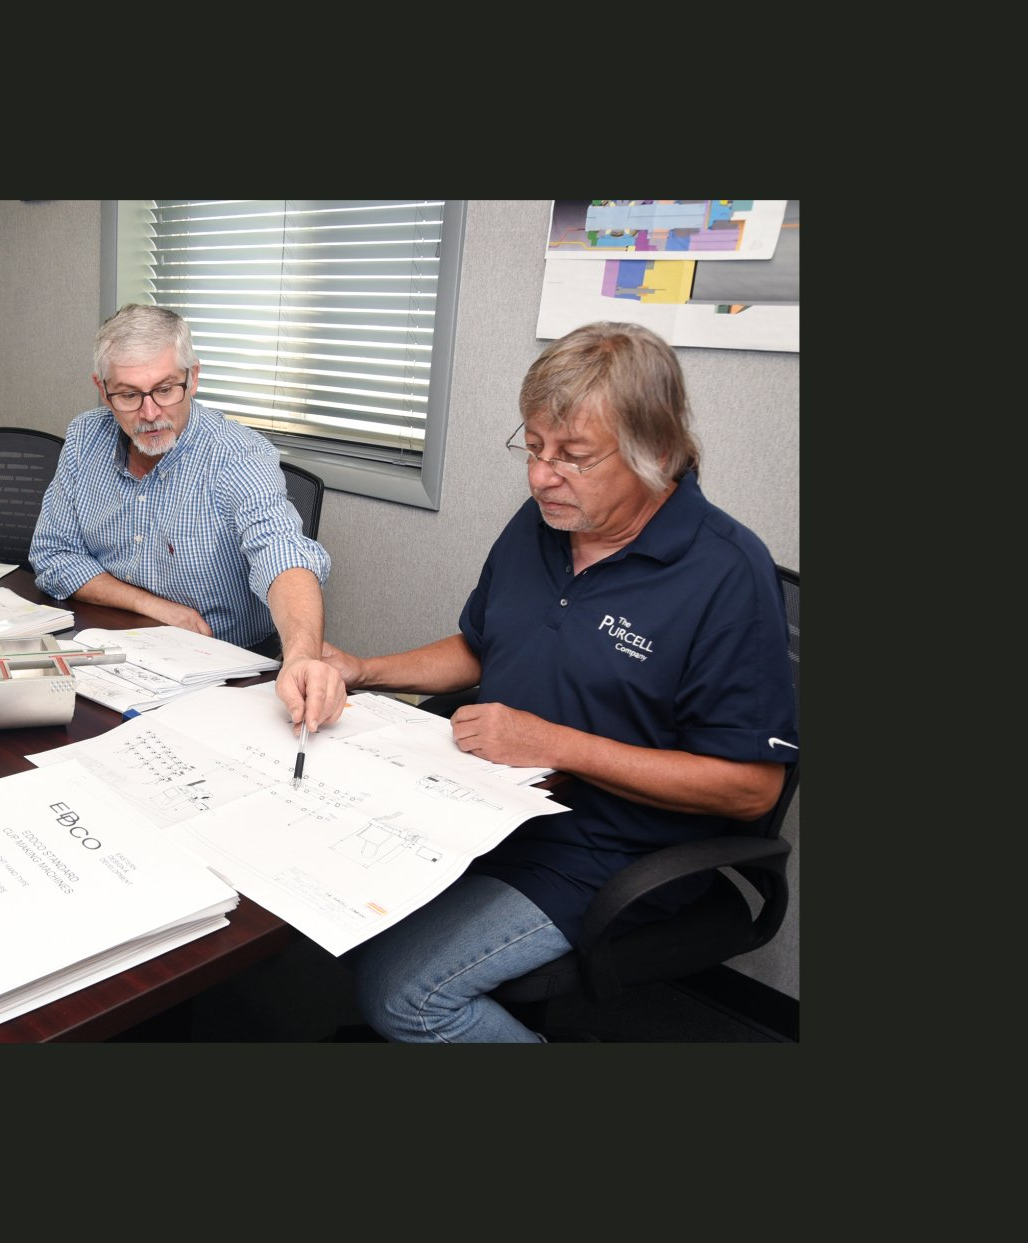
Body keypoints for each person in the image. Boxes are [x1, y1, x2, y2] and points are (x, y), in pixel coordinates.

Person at [320, 321, 797, 1042]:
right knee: (327, 902)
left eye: (573, 456)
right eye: (534, 448)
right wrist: (363, 669)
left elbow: (750, 787)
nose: (542, 476)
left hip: (610, 850)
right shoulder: (542, 521)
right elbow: (481, 647)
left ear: (656, 453)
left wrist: (555, 744)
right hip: (488, 803)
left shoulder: (726, 573)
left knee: (403, 994)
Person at [29, 304, 347, 730]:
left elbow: (284, 556)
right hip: (113, 649)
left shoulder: (237, 456)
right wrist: (153, 606)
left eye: (165, 390)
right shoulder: (86, 437)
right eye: (128, 394)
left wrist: (302, 658)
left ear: (192, 378)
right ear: (103, 391)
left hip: (219, 667)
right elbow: (53, 554)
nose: (149, 413)